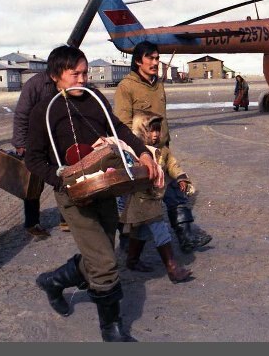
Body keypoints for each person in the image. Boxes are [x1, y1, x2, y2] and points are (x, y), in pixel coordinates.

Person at [25, 45, 160, 342]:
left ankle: (54, 281)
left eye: (85, 73)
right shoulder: (43, 111)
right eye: (75, 74)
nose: (82, 79)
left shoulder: (94, 99)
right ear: (56, 75)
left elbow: (119, 129)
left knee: (101, 255)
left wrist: (142, 152)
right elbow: (33, 159)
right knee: (104, 263)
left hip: (105, 186)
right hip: (73, 194)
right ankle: (111, 330)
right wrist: (60, 177)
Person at [114, 40, 212, 253]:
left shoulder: (158, 85)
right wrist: (138, 152)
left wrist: (165, 146)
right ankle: (127, 242)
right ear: (138, 61)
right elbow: (122, 125)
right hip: (139, 154)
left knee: (174, 191)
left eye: (157, 58)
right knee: (133, 200)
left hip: (161, 150)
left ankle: (186, 236)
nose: (155, 62)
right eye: (150, 58)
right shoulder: (126, 87)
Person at [123, 112, 192, 283]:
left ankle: (132, 260)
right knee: (161, 230)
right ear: (140, 131)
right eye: (150, 131)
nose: (155, 135)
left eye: (158, 130)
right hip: (139, 200)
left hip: (153, 199)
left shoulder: (162, 151)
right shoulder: (131, 152)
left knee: (141, 230)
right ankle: (172, 268)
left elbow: (172, 164)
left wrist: (181, 177)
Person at [12, 60, 69, 238]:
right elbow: (21, 114)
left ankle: (66, 218)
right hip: (34, 142)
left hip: (58, 140)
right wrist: (20, 144)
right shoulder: (34, 84)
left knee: (65, 176)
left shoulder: (68, 83)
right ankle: (32, 223)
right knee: (33, 185)